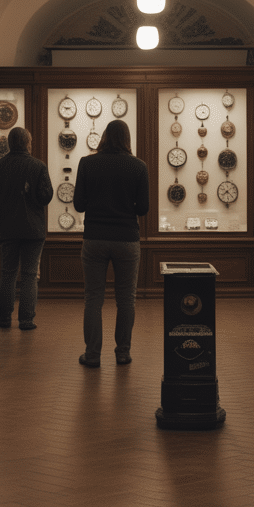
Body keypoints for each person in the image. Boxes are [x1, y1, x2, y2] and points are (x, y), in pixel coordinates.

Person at [72, 119, 149, 367]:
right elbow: (144, 208)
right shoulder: (138, 166)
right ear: (127, 139)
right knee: (126, 298)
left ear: (104, 136)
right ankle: (123, 352)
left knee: (93, 298)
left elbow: (79, 205)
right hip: (126, 238)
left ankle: (93, 354)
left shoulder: (87, 163)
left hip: (94, 237)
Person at [0, 127, 53, 330]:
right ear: (28, 143)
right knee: (30, 274)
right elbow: (46, 196)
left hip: (8, 228)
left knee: (8, 273)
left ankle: (4, 318)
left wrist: (3, 211)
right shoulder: (38, 166)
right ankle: (26, 320)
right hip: (33, 229)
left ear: (9, 144)